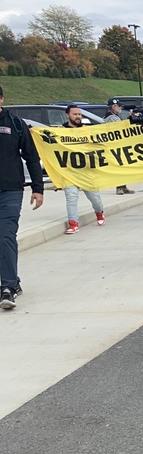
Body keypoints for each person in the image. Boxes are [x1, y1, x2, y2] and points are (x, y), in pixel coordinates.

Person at [0, 85, 44, 309]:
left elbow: (32, 157)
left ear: (1, 99)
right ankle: (12, 280)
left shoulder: (16, 124)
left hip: (10, 190)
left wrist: (38, 188)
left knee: (5, 235)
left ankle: (7, 286)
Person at [62, 105, 105, 234]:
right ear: (67, 115)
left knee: (95, 199)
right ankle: (73, 223)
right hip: (69, 173)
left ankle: (99, 213)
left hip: (86, 171)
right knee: (71, 197)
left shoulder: (87, 130)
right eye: (75, 114)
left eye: (79, 114)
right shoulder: (60, 131)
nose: (78, 117)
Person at [105, 98, 135, 195]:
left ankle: (123, 186)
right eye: (119, 106)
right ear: (113, 106)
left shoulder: (112, 116)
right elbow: (120, 129)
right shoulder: (112, 118)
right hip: (115, 146)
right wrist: (129, 119)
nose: (121, 108)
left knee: (122, 166)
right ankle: (119, 187)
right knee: (119, 166)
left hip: (117, 145)